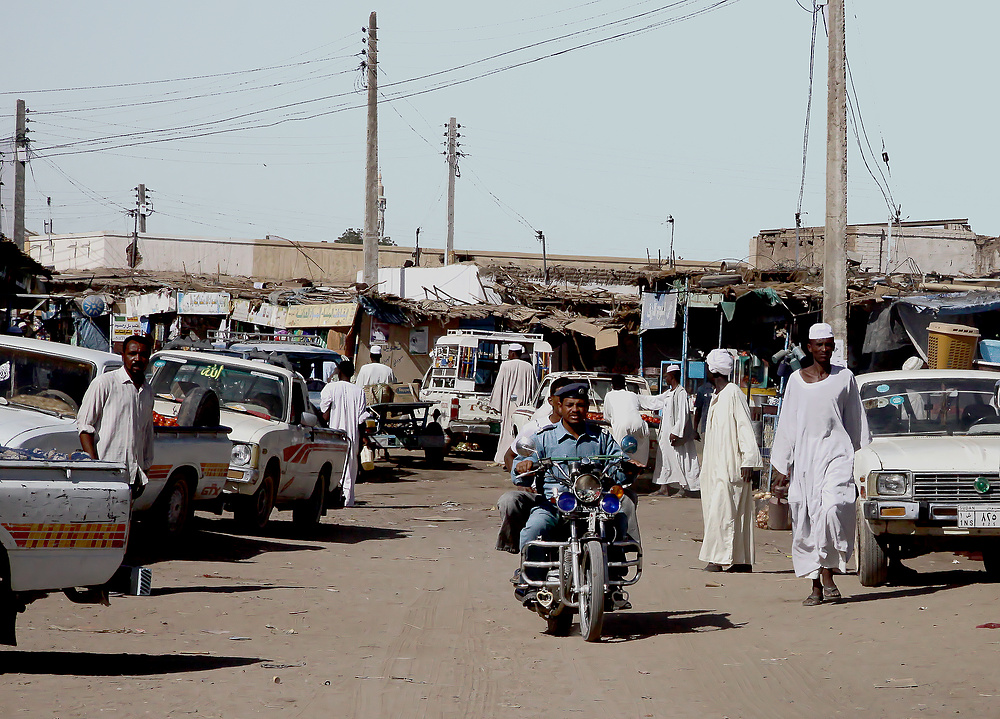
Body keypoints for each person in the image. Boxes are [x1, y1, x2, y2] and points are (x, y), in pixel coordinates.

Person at [770, 323, 871, 605]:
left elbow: (855, 423)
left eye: (829, 345)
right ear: (810, 347)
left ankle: (828, 573)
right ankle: (816, 584)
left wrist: (859, 460)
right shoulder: (795, 381)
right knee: (807, 517)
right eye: (820, 345)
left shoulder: (845, 378)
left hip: (837, 456)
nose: (825, 350)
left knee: (832, 509)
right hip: (804, 460)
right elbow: (787, 424)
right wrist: (782, 465)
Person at [513, 383, 639, 569]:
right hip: (554, 504)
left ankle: (614, 571)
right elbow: (519, 466)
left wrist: (629, 468)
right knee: (534, 528)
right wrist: (523, 466)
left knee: (620, 518)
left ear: (587, 408)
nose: (575, 410)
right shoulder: (544, 438)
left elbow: (619, 463)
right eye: (570, 405)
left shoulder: (601, 437)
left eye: (580, 405)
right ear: (559, 407)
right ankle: (529, 575)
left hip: (594, 504)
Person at [698, 349, 762, 573]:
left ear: (713, 370)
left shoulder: (733, 393)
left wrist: (749, 460)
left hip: (730, 465)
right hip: (716, 465)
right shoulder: (717, 395)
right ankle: (741, 560)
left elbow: (745, 427)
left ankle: (717, 559)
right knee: (734, 512)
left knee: (723, 511)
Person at [496, 377, 573, 553]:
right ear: (551, 400)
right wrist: (521, 479)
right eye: (560, 396)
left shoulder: (595, 433)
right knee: (511, 502)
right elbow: (511, 455)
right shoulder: (538, 430)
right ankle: (524, 558)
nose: (566, 402)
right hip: (545, 495)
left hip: (578, 495)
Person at [77, 334, 155, 497]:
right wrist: (95, 468)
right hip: (105, 473)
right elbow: (85, 427)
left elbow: (147, 432)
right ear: (123, 355)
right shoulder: (105, 383)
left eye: (143, 355)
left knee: (123, 521)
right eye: (132, 354)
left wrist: (143, 472)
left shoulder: (147, 391)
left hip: (132, 477)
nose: (137, 359)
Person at [645, 365, 700, 497]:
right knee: (663, 460)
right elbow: (655, 401)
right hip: (665, 435)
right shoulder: (668, 393)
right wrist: (635, 399)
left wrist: (676, 431)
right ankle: (663, 487)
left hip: (675, 435)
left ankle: (682, 489)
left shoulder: (681, 393)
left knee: (679, 460)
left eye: (666, 376)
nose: (665, 379)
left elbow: (683, 414)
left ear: (672, 376)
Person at [320, 360, 369, 507]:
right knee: (350, 468)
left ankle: (332, 498)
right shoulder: (359, 391)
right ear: (353, 374)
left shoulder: (330, 388)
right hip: (352, 435)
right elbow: (362, 420)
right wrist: (363, 439)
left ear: (339, 372)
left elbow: (325, 415)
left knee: (333, 467)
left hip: (335, 434)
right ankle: (348, 500)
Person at [490, 343, 538, 465]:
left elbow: (499, 385)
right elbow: (534, 388)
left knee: (507, 431)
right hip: (524, 406)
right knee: (522, 432)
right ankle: (520, 456)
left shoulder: (505, 365)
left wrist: (496, 404)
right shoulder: (528, 367)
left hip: (508, 405)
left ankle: (503, 458)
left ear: (511, 353)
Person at [603, 374, 650, 466]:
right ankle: (640, 467)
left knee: (620, 452)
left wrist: (612, 421)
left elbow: (606, 417)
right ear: (625, 385)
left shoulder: (609, 395)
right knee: (638, 451)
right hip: (638, 423)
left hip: (622, 425)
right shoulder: (632, 394)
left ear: (612, 386)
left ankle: (621, 471)